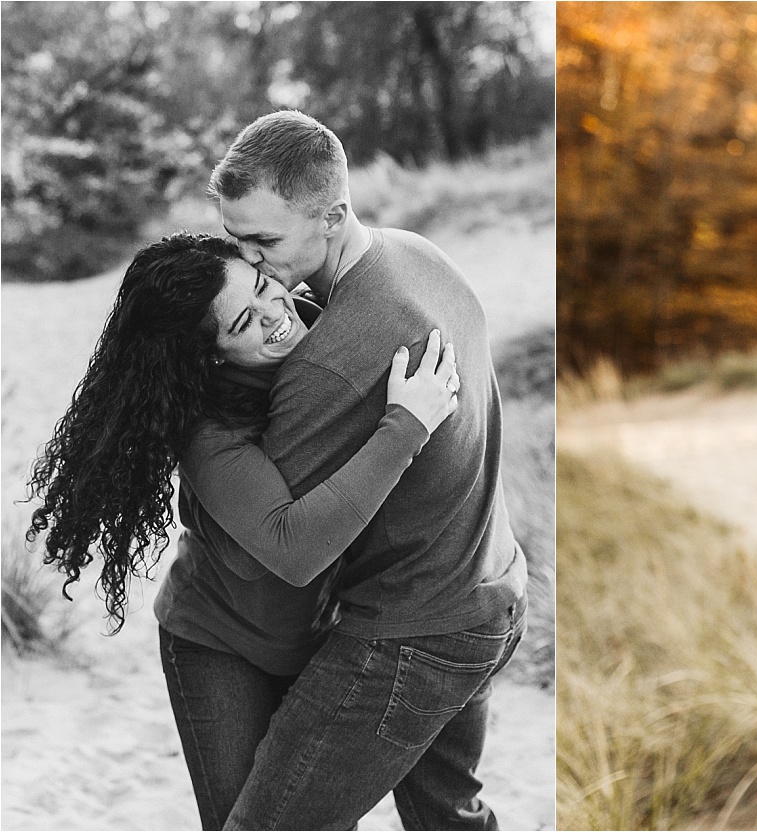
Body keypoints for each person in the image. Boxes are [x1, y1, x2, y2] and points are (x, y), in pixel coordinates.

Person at [25, 233, 461, 830]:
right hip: (219, 647)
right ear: (212, 355)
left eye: (262, 288)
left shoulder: (325, 324)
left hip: (322, 640)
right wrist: (406, 426)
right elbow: (293, 547)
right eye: (243, 325)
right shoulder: (207, 431)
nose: (275, 316)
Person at [207, 109, 528, 831]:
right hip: (494, 593)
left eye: (263, 241)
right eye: (235, 241)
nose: (248, 264)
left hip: (412, 635)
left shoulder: (331, 358)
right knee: (448, 817)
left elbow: (278, 545)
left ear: (332, 215)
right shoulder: (416, 254)